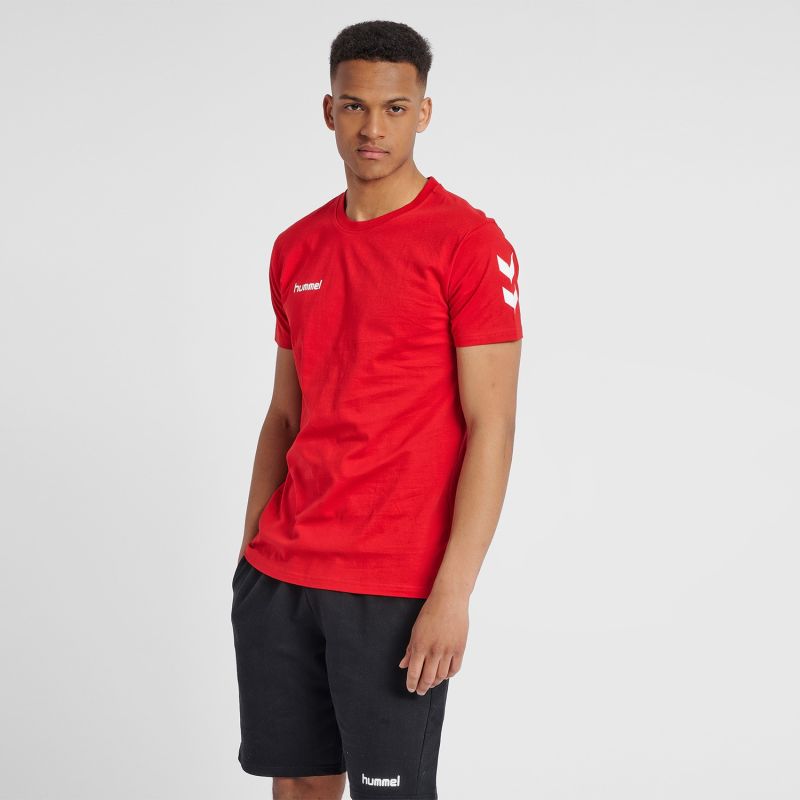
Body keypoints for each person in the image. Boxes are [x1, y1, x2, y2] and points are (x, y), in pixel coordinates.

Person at [231, 19, 523, 800]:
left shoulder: (468, 242)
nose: (373, 128)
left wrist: (452, 593)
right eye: (355, 106)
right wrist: (250, 548)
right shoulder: (296, 247)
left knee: (392, 793)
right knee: (299, 787)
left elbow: (492, 426)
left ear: (423, 112)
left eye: (395, 108)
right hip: (282, 574)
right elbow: (284, 415)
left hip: (394, 583)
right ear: (329, 110)